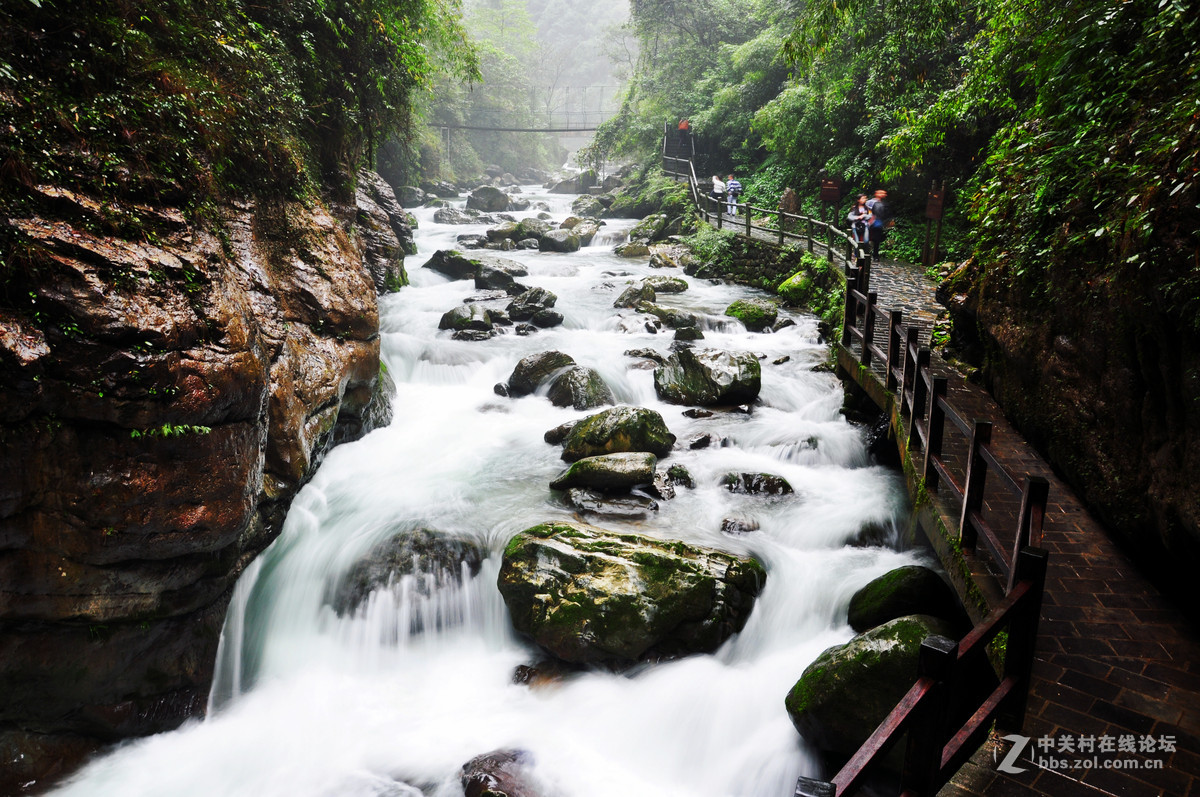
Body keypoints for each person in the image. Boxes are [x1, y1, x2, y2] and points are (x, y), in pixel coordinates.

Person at [865, 189, 892, 261]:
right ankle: (869, 253)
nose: (883, 194)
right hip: (872, 222)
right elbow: (871, 213)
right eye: (881, 193)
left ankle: (875, 255)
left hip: (879, 223)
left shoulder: (885, 204)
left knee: (876, 240)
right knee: (869, 238)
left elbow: (887, 214)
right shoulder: (871, 202)